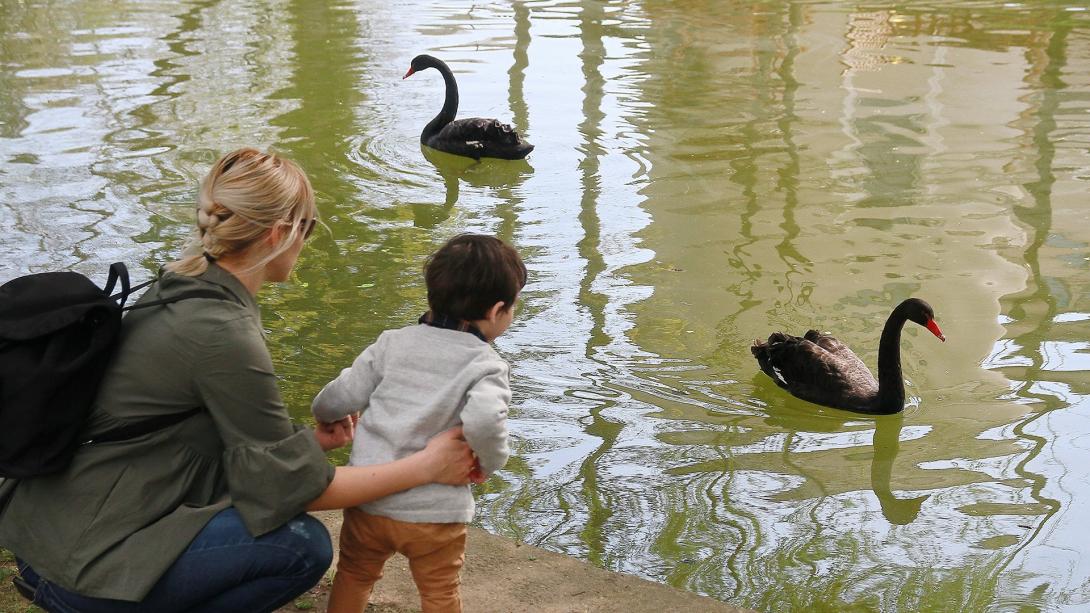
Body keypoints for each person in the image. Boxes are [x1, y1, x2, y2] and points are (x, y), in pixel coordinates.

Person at [0, 148, 478, 612]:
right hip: (79, 567)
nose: (305, 243)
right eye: (306, 229)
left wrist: (307, 446)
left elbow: (214, 441)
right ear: (277, 233)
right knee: (299, 547)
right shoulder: (222, 333)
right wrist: (427, 466)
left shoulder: (180, 286)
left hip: (52, 537)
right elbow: (299, 493)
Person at [312, 233, 526, 613]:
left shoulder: (392, 342)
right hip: (435, 513)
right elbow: (484, 419)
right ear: (496, 311)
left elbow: (338, 397)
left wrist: (328, 416)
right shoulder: (486, 364)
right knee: (440, 593)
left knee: (354, 575)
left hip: (367, 501)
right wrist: (489, 462)